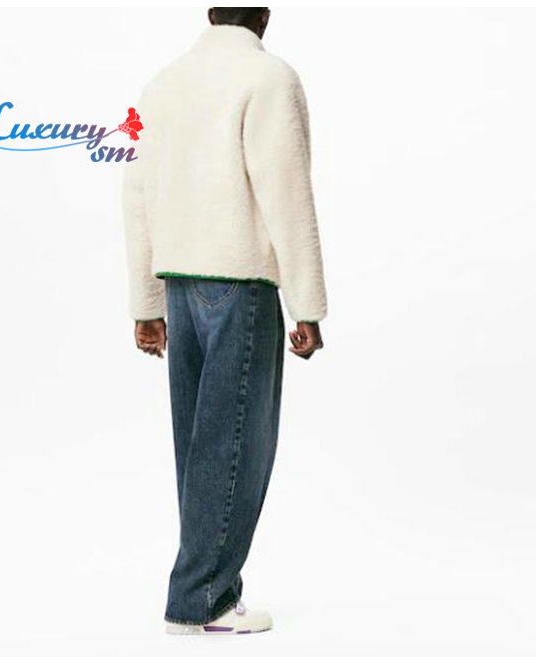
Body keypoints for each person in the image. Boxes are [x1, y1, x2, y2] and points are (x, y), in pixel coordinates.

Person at [121, 6, 328, 635]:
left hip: (180, 282)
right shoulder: (268, 78)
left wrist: (147, 303)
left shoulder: (162, 84)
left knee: (198, 448)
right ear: (263, 15)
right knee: (236, 444)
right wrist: (307, 304)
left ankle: (208, 588)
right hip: (240, 280)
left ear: (211, 14)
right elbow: (286, 190)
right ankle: (201, 599)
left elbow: (137, 194)